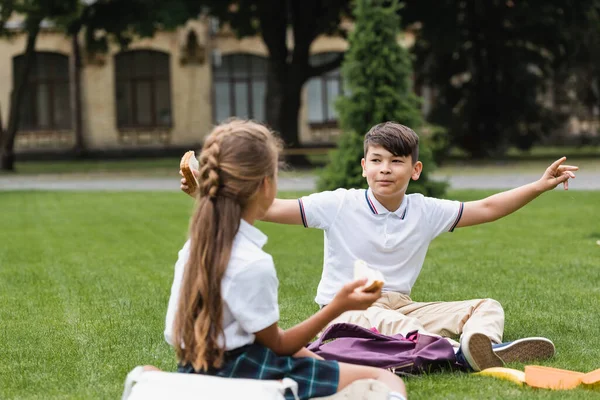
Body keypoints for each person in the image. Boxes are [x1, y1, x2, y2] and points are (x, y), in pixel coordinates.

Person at [165, 119, 408, 400]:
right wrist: (339, 305)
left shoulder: (196, 248)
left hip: (194, 371)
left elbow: (257, 335)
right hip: (249, 375)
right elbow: (279, 346)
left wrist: (325, 365)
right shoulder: (252, 262)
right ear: (266, 185)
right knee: (382, 377)